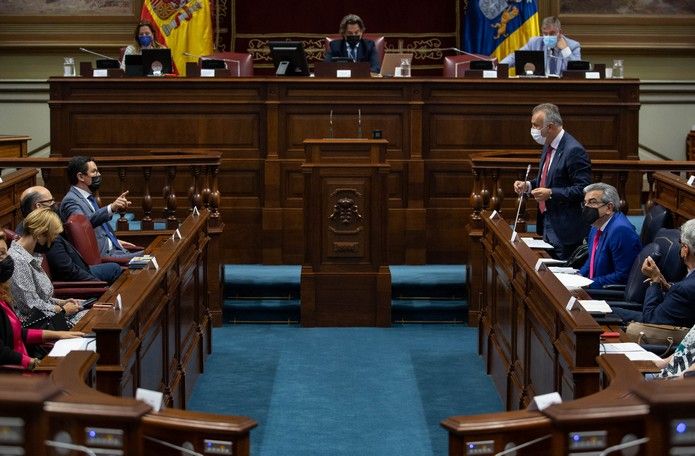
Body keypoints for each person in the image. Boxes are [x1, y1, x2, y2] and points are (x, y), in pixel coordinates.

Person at [513, 103, 592, 260]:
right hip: (547, 222)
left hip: (565, 228)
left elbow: (583, 189)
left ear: (549, 127)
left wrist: (550, 193)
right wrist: (528, 186)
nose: (533, 130)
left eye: (536, 126)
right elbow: (548, 179)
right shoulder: (548, 145)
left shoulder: (573, 150)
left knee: (558, 277)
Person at [0, 232, 84, 370]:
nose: (8, 259)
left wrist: (61, 335)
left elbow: (18, 333)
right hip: (15, 376)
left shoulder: (3, 295)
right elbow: (2, 353)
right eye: (1, 255)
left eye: (5, 253)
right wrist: (34, 363)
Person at [19, 186, 122, 284]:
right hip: (76, 279)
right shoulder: (44, 231)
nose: (54, 204)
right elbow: (67, 270)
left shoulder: (27, 226)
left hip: (80, 268)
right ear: (38, 206)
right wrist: (97, 283)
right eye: (50, 201)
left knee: (114, 267)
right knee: (116, 271)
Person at [8, 208, 88, 326]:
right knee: (97, 322)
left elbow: (42, 298)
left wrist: (62, 302)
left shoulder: (33, 255)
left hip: (52, 317)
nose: (54, 241)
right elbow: (31, 306)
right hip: (40, 325)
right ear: (40, 234)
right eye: (53, 236)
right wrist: (62, 309)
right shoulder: (17, 260)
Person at [613, 219, 695, 327]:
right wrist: (667, 286)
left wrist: (655, 281)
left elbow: (651, 320)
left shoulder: (684, 289)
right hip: (670, 322)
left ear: (685, 249)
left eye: (680, 242)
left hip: (663, 337)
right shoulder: (686, 285)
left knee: (606, 313)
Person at [60, 156, 140, 258]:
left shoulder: (88, 198)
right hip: (104, 257)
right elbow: (83, 224)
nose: (99, 175)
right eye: (94, 172)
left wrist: (114, 241)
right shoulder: (71, 200)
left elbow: (99, 230)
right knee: (152, 256)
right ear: (80, 177)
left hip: (115, 250)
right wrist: (111, 208)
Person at [578, 183, 641, 289]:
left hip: (607, 294)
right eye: (585, 202)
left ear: (609, 207)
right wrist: (579, 276)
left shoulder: (621, 231)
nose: (586, 207)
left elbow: (623, 276)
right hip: (594, 287)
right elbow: (591, 259)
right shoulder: (596, 225)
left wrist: (588, 283)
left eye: (592, 202)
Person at [500, 16, 581, 75]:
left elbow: (578, 70)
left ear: (559, 32)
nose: (548, 36)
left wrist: (565, 50)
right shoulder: (535, 43)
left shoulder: (573, 45)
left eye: (552, 33)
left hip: (563, 88)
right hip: (540, 87)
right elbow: (515, 57)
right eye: (545, 33)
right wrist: (499, 67)